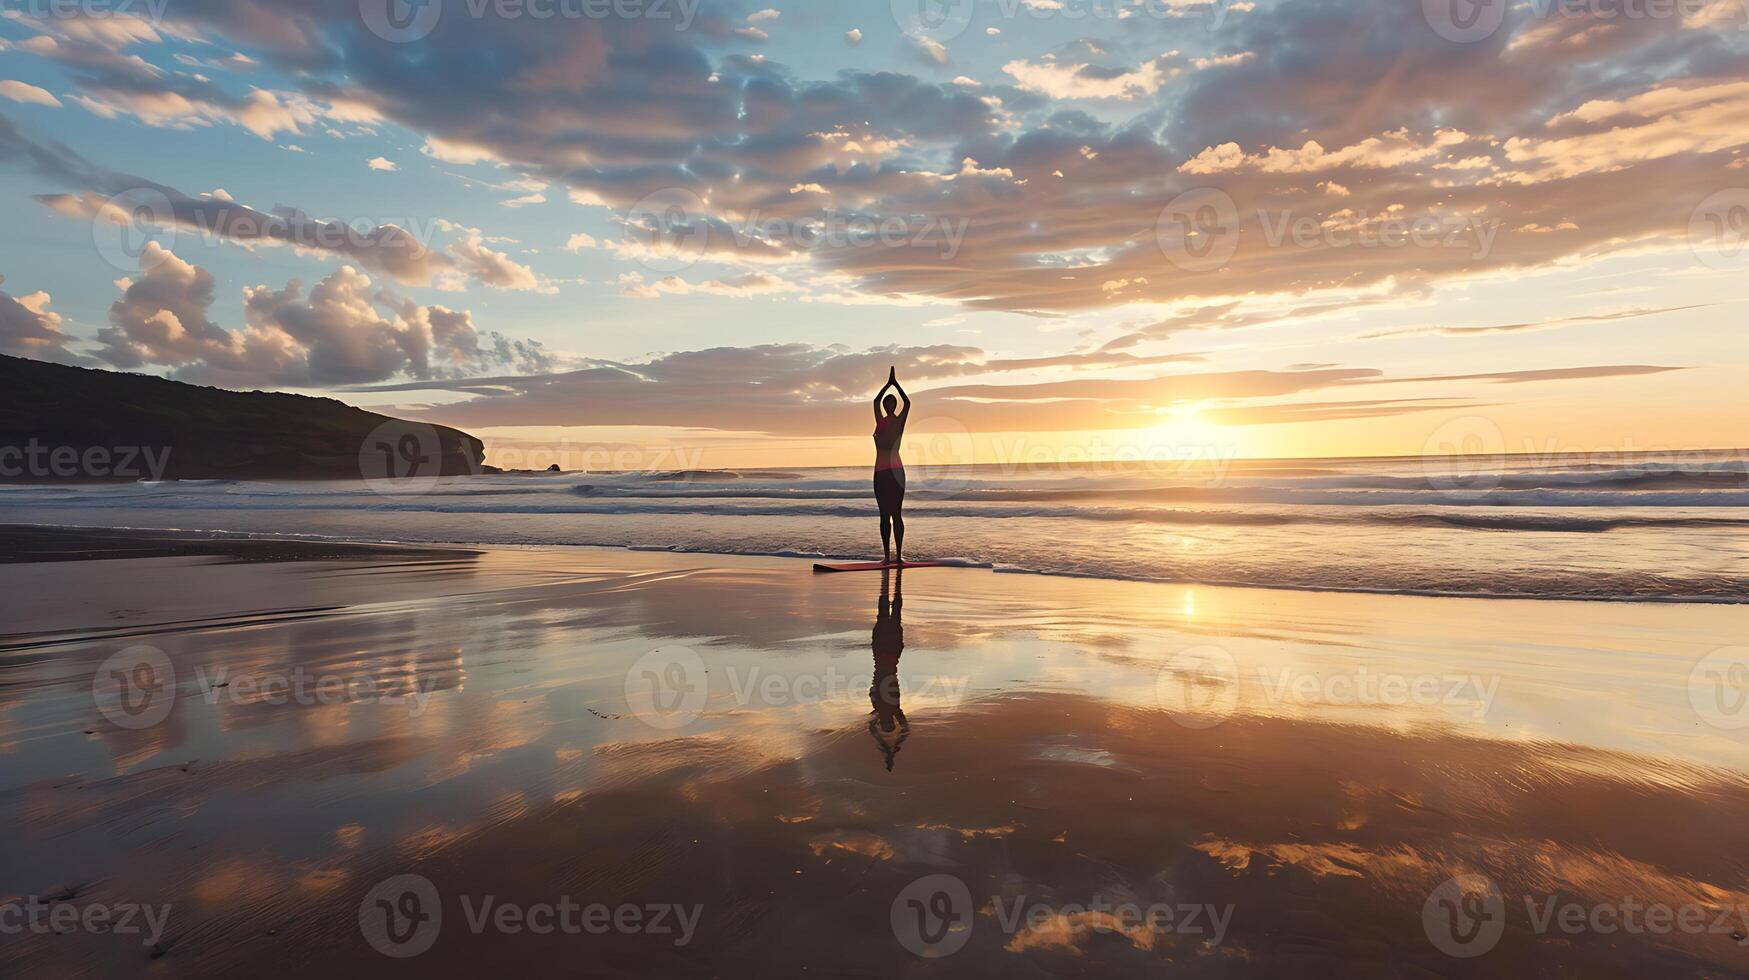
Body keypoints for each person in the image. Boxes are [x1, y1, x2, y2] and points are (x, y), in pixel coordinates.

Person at [868, 567, 908, 771]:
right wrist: (889, 751)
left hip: (888, 652)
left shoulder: (888, 709)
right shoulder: (888, 708)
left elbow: (904, 730)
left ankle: (891, 582)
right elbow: (906, 730)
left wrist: (890, 751)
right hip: (887, 653)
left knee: (890, 614)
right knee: (886, 614)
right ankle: (891, 583)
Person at [872, 366, 910, 565]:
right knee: (883, 515)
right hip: (880, 472)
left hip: (895, 472)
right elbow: (875, 401)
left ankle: (899, 556)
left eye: (892, 402)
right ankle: (887, 556)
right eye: (888, 402)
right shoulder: (881, 422)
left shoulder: (899, 423)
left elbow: (908, 403)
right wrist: (888, 384)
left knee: (896, 513)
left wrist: (896, 385)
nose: (888, 405)